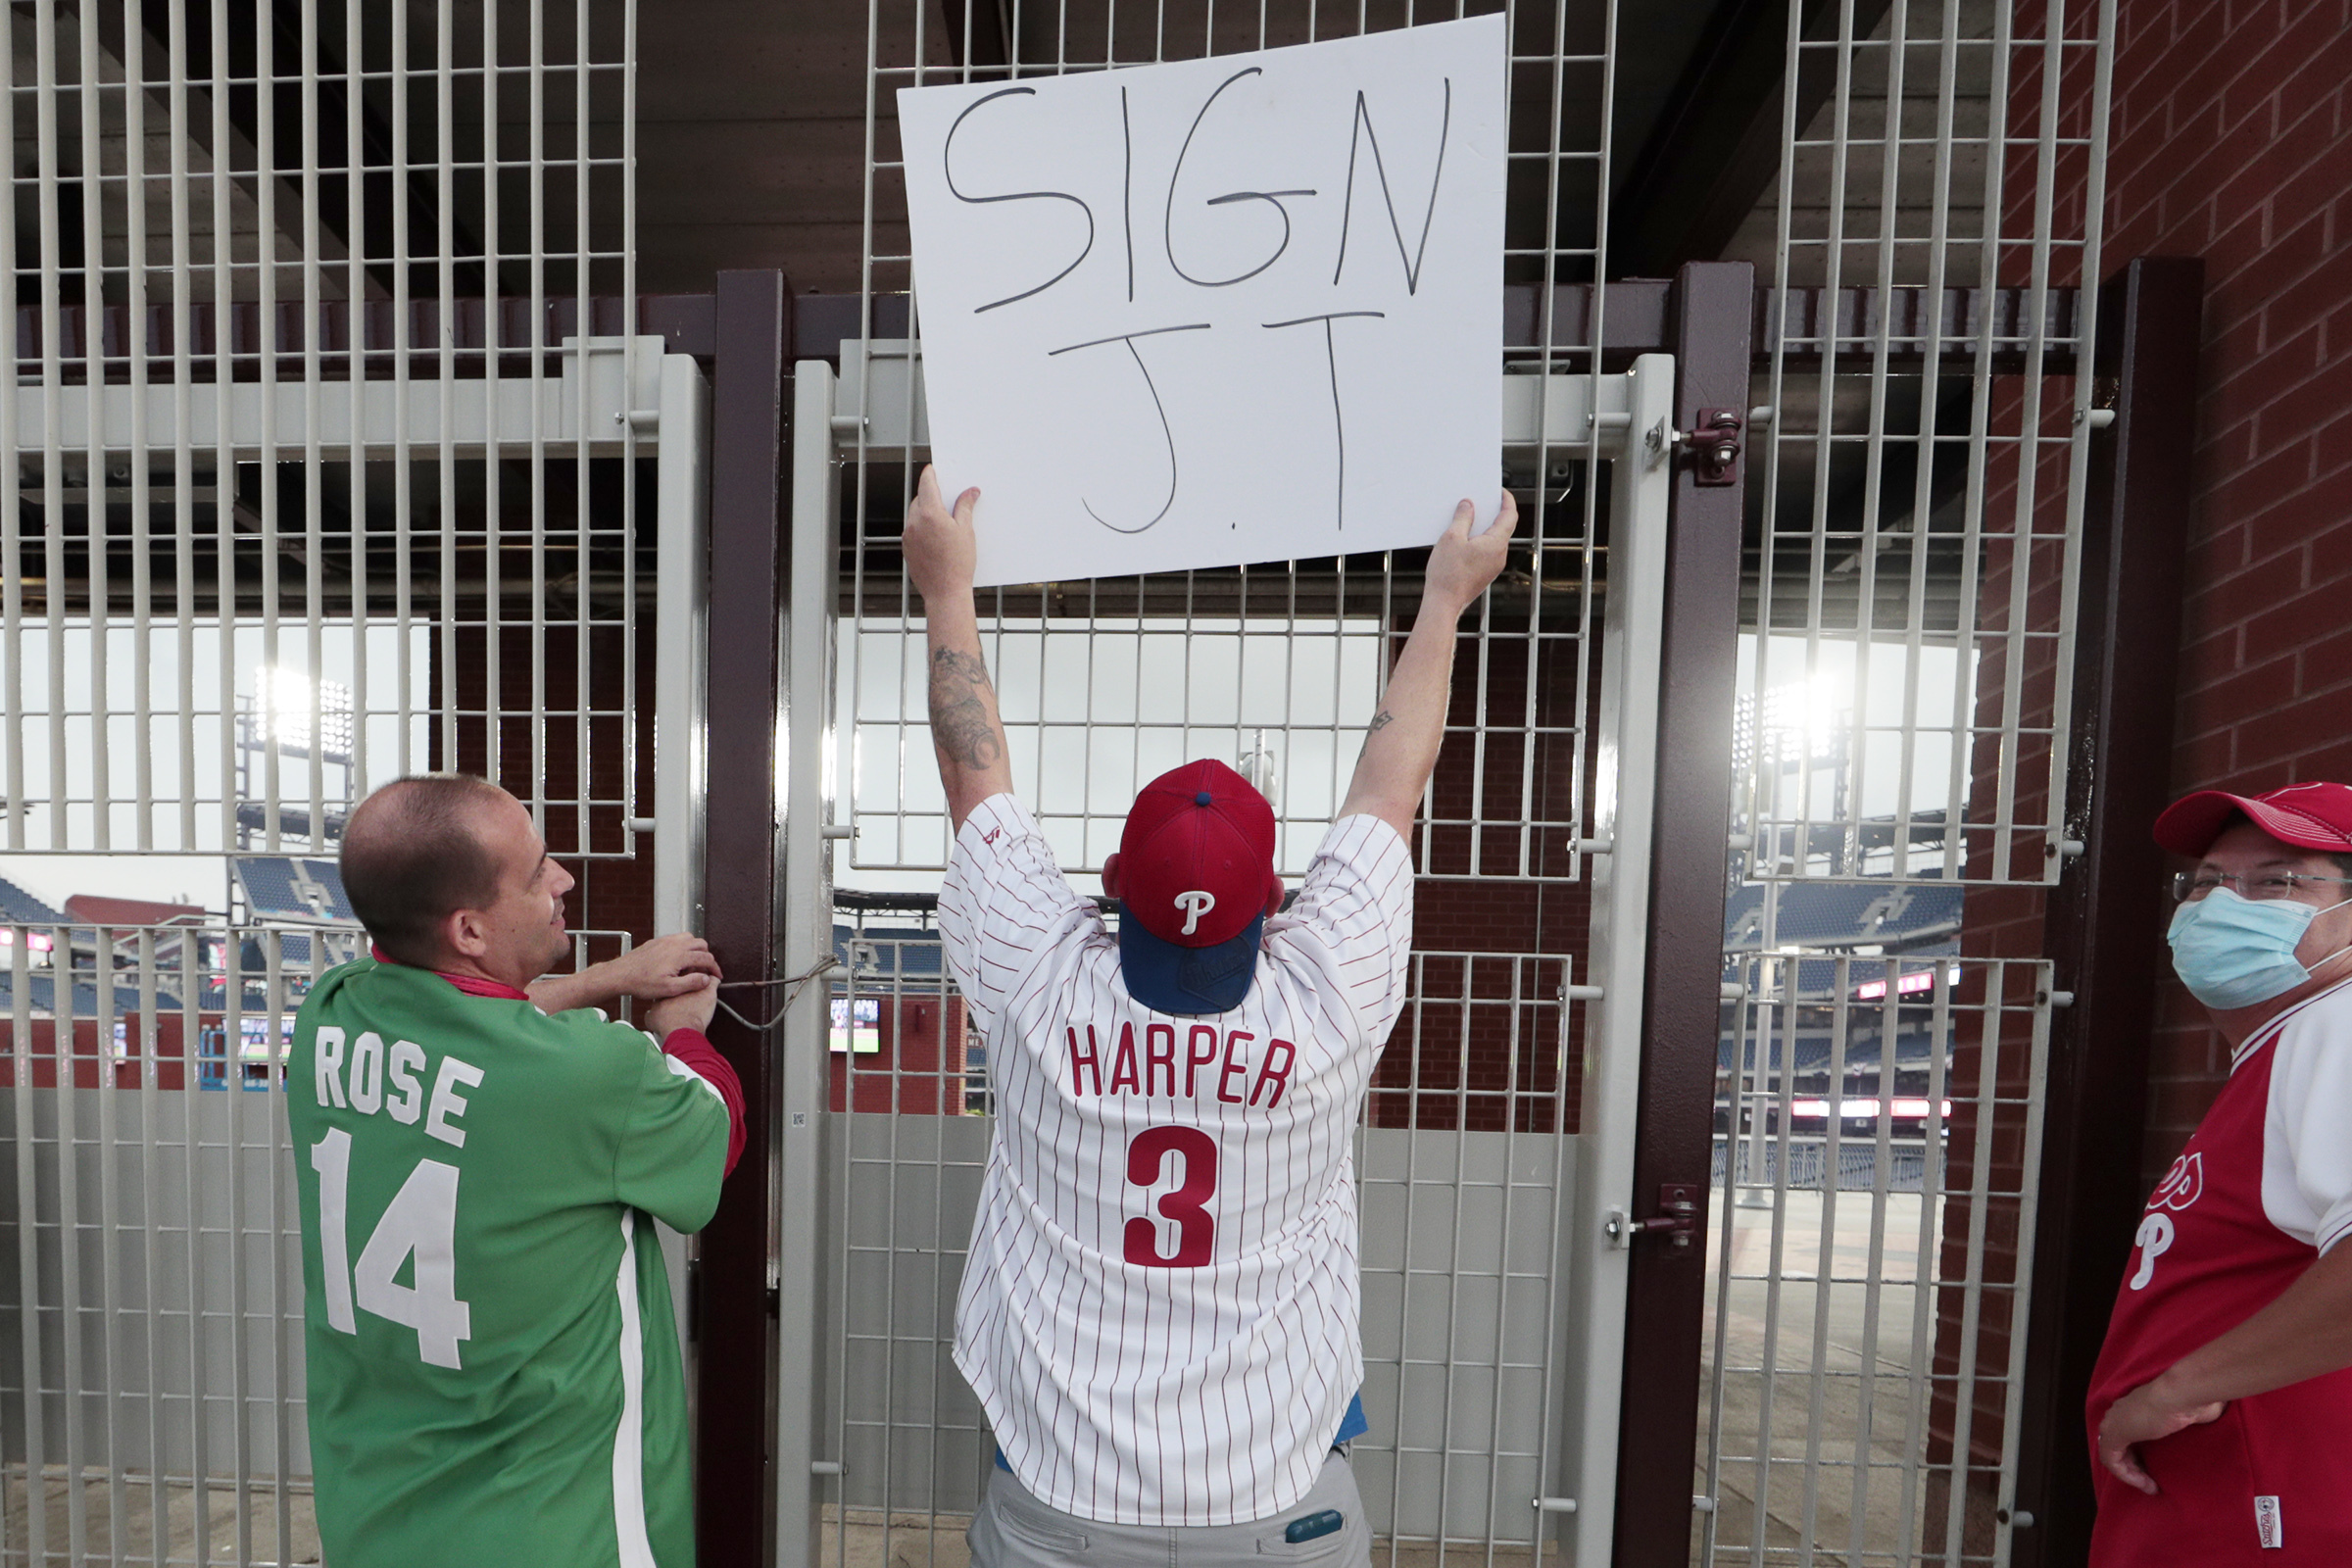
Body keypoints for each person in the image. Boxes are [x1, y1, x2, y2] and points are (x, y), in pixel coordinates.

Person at [901, 466, 1516, 1564]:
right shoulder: (1329, 996)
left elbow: (972, 774)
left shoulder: (1039, 980)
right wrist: (1445, 600)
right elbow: (1390, 786)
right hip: (1274, 1501)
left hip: (1062, 1506)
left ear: (1108, 883)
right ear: (1274, 904)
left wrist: (947, 591)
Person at [287, 774, 746, 1568]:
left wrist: (606, 978)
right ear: (468, 929)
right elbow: (713, 1131)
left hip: (374, 1522)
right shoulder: (592, 1075)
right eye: (537, 871)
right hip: (560, 1532)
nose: (563, 878)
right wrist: (679, 1031)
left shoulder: (328, 1013)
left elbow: (475, 1023)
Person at [2089, 780, 2352, 1562]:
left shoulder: (2335, 1026)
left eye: (2276, 880)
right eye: (2206, 881)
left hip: (2270, 1506)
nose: (2221, 904)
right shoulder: (2287, 1045)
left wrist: (2176, 1390)